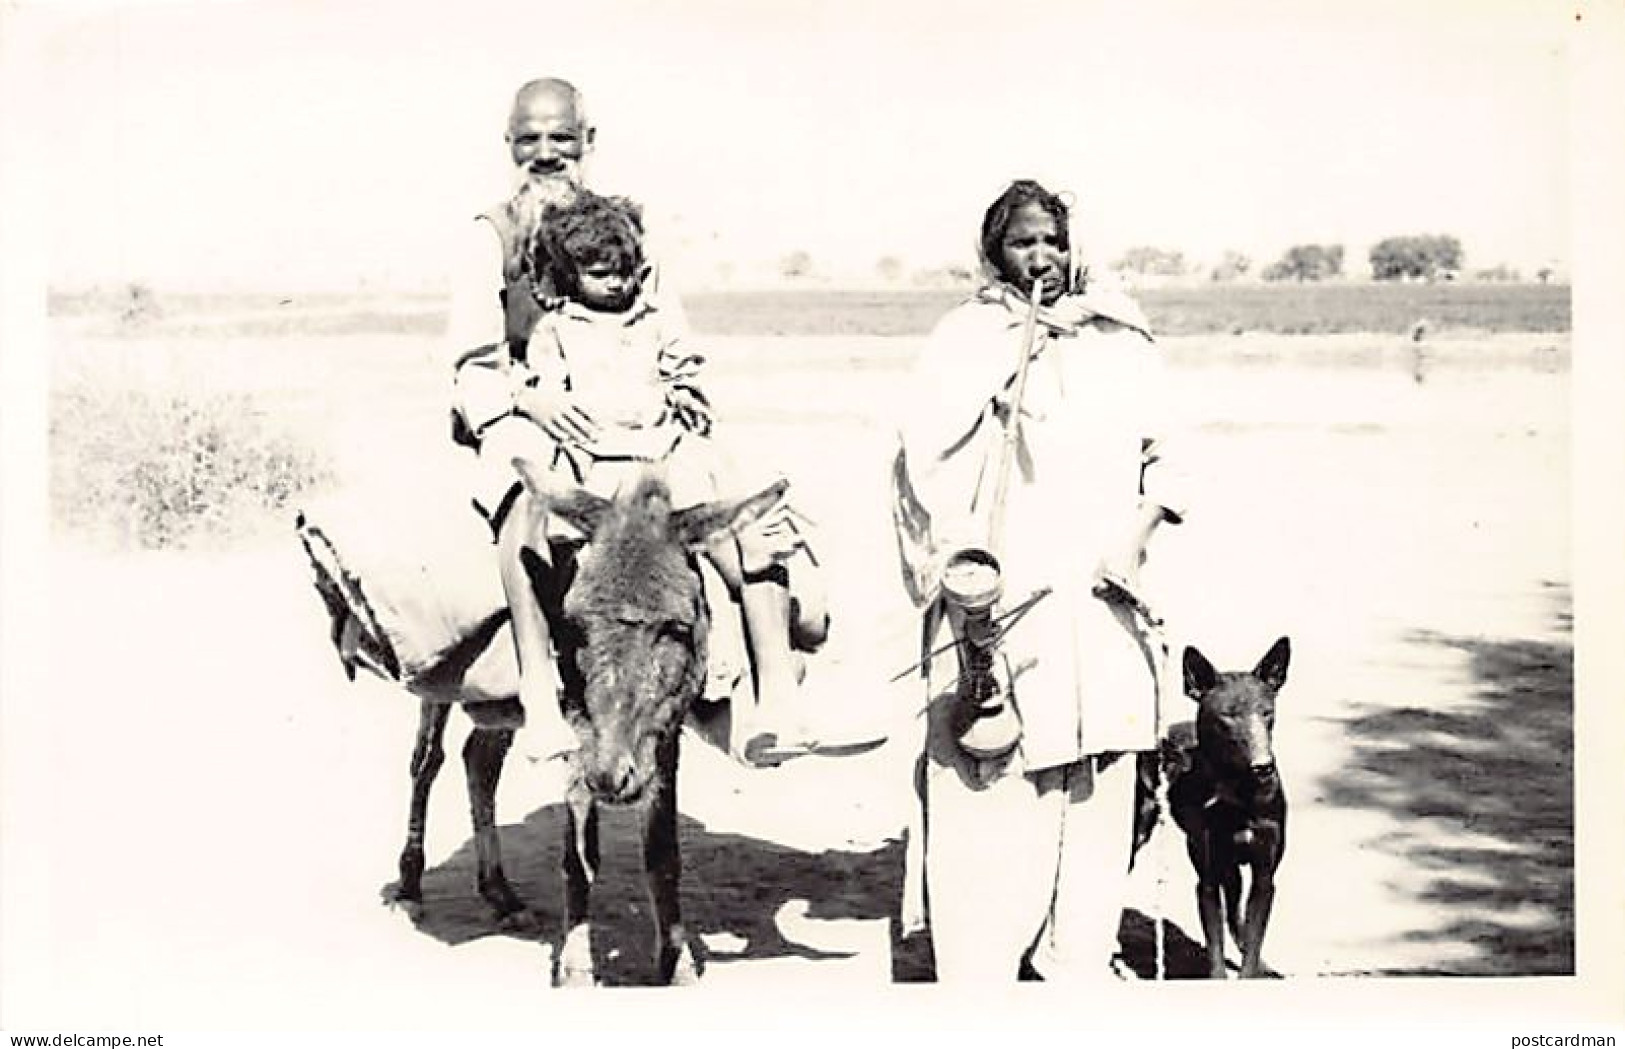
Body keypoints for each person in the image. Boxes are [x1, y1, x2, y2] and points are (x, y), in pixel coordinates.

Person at [445, 78, 827, 767]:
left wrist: (683, 387)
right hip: (529, 402)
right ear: (508, 146)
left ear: (587, 141)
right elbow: (473, 359)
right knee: (526, 496)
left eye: (560, 138)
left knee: (734, 500)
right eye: (529, 140)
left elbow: (666, 325)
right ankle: (537, 689)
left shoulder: (626, 225)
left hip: (635, 404)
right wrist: (533, 403)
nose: (545, 153)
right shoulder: (490, 232)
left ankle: (771, 690)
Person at [890, 179, 1186, 981]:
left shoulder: (1119, 337)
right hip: (1000, 606)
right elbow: (922, 468)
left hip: (1100, 607)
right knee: (991, 780)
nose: (1042, 258)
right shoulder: (965, 338)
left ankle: (1074, 964)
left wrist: (1134, 537)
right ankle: (981, 978)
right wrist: (961, 566)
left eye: (1053, 240)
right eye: (1023, 243)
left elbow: (1170, 457)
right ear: (992, 252)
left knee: (1096, 789)